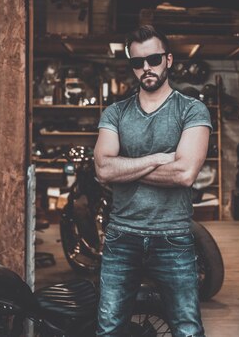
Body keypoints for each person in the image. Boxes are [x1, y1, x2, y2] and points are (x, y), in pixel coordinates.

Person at [94, 25, 211, 337]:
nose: (146, 67)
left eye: (154, 59)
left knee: (187, 330)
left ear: (168, 60)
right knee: (108, 329)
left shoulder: (191, 109)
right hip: (122, 236)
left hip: (172, 236)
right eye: (137, 62)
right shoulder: (115, 113)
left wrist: (127, 169)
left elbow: (184, 173)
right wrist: (160, 158)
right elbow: (103, 169)